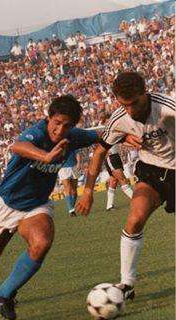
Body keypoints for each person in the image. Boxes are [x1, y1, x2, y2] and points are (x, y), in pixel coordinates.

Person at [0, 95, 104, 320]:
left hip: (35, 206)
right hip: (5, 205)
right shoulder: (37, 132)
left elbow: (102, 135)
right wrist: (46, 155)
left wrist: (129, 135)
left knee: (41, 242)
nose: (60, 130)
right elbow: (18, 146)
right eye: (57, 122)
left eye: (67, 125)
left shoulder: (73, 137)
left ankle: (4, 294)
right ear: (48, 118)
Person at [76, 72, 175, 300]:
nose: (130, 110)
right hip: (152, 170)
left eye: (134, 103)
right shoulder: (120, 118)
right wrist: (88, 191)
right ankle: (126, 284)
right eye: (124, 105)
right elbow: (100, 151)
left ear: (145, 93)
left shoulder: (167, 107)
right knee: (135, 218)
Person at [104, 144, 133, 211]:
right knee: (122, 179)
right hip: (111, 157)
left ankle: (109, 205)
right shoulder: (102, 134)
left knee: (113, 181)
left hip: (115, 156)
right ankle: (136, 200)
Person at [58, 150, 81, 216]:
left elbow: (77, 153)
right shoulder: (57, 144)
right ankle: (71, 210)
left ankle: (72, 208)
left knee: (74, 190)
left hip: (74, 167)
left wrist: (78, 163)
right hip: (63, 168)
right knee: (68, 189)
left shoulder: (73, 142)